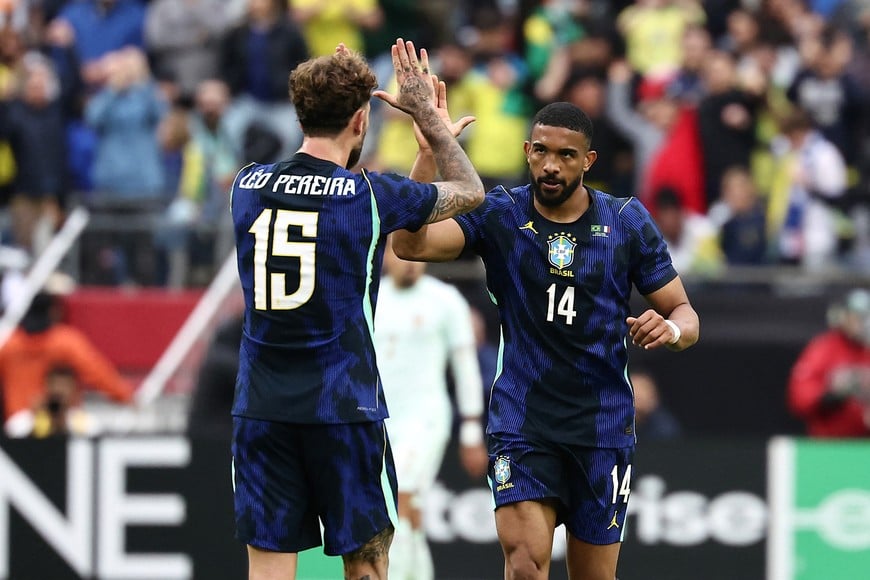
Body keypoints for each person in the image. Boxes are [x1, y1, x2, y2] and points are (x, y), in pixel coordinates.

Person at [392, 101, 700, 579]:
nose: (551, 165)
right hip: (523, 423)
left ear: (589, 161)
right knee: (525, 564)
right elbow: (408, 245)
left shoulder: (626, 221)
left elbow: (685, 313)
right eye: (541, 151)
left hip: (601, 428)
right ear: (527, 151)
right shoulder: (500, 213)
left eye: (566, 155)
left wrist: (672, 328)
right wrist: (431, 150)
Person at [228, 39, 484, 580]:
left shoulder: (245, 186)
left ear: (301, 112)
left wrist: (416, 160)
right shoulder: (365, 194)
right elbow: (468, 190)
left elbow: (379, 221)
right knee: (366, 566)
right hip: (342, 408)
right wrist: (431, 126)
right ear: (362, 120)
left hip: (262, 407)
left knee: (268, 568)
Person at [374, 242, 488, 580]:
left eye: (414, 255)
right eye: (398, 254)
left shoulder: (445, 300)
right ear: (384, 256)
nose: (408, 263)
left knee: (401, 500)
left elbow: (465, 368)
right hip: (379, 423)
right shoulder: (369, 300)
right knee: (406, 515)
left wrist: (470, 431)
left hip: (425, 420)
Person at [787, 288, 870, 437]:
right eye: (858, 318)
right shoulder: (824, 348)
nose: (863, 324)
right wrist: (829, 397)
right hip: (830, 444)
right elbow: (799, 397)